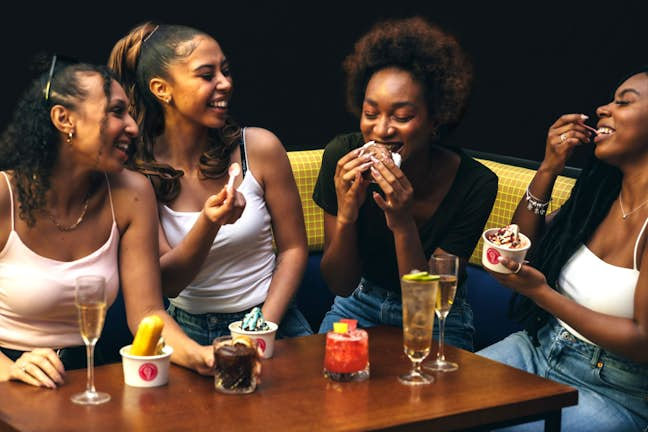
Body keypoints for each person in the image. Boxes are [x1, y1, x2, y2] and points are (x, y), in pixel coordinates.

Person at [0, 56, 215, 388]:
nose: (132, 126)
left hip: (89, 374)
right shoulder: (5, 195)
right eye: (116, 112)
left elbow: (148, 313)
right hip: (10, 376)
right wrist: (9, 370)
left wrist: (200, 355)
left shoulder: (132, 193)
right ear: (63, 119)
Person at [108, 22, 312, 345]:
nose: (225, 83)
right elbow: (168, 282)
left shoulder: (258, 148)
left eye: (226, 71)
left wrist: (258, 330)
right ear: (162, 89)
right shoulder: (138, 176)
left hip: (273, 322)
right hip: (187, 335)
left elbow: (294, 249)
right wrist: (209, 222)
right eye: (207, 75)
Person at [312, 17, 498, 351]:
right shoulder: (342, 156)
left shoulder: (475, 184)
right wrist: (346, 215)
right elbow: (340, 284)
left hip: (439, 316)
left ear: (436, 120)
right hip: (358, 302)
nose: (381, 131)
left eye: (401, 117)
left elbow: (424, 307)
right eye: (371, 113)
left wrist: (402, 222)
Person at [477, 67, 648, 431]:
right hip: (538, 348)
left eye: (624, 103)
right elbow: (524, 243)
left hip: (616, 391)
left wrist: (540, 293)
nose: (603, 108)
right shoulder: (599, 196)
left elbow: (643, 341)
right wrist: (549, 168)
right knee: (431, 406)